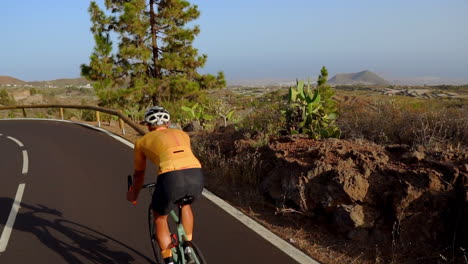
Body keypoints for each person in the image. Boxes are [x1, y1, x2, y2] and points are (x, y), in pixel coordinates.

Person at [127, 106, 204, 264]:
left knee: (160, 218)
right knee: (185, 204)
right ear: (168, 123)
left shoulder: (142, 142)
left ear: (148, 126)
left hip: (170, 176)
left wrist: (133, 195)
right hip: (196, 173)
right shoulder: (182, 134)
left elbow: (139, 174)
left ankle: (168, 260)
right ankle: (188, 247)